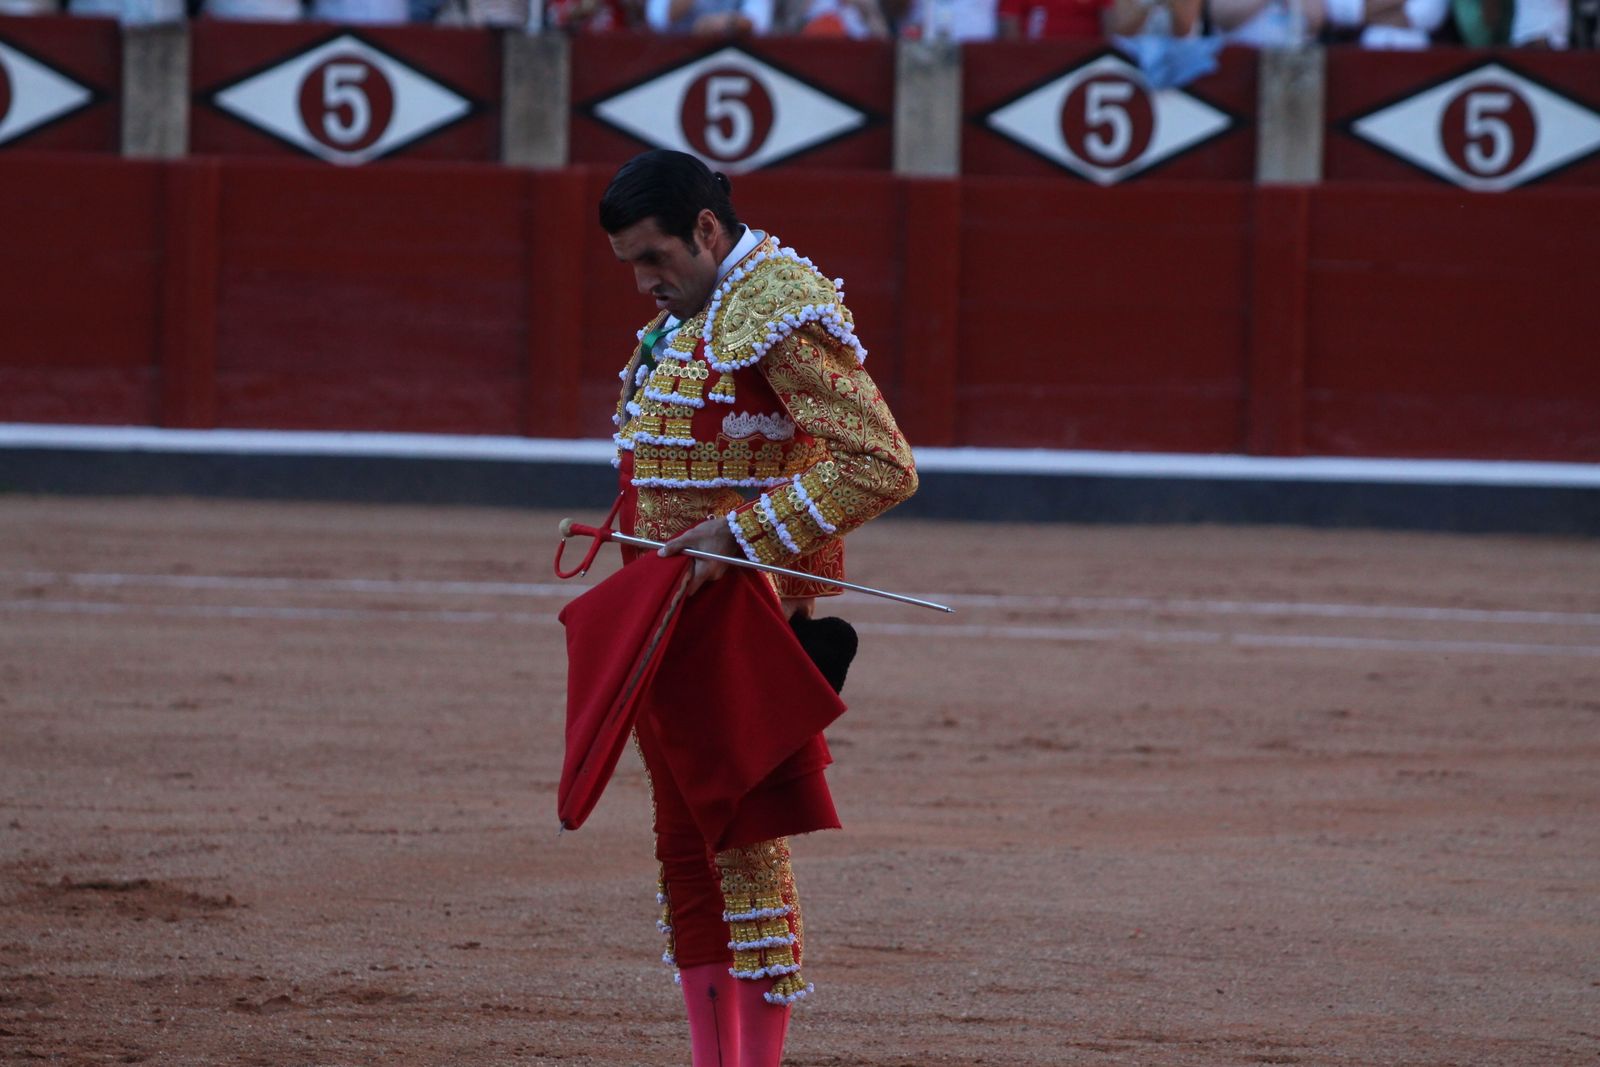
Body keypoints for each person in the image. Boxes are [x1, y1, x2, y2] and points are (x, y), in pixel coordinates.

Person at [595, 149, 918, 1066]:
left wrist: (744, 540)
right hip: (662, 619)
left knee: (741, 843)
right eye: (631, 265)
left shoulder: (773, 304)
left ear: (706, 228)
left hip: (740, 621)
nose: (646, 282)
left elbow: (880, 462)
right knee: (685, 842)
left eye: (656, 258)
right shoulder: (684, 321)